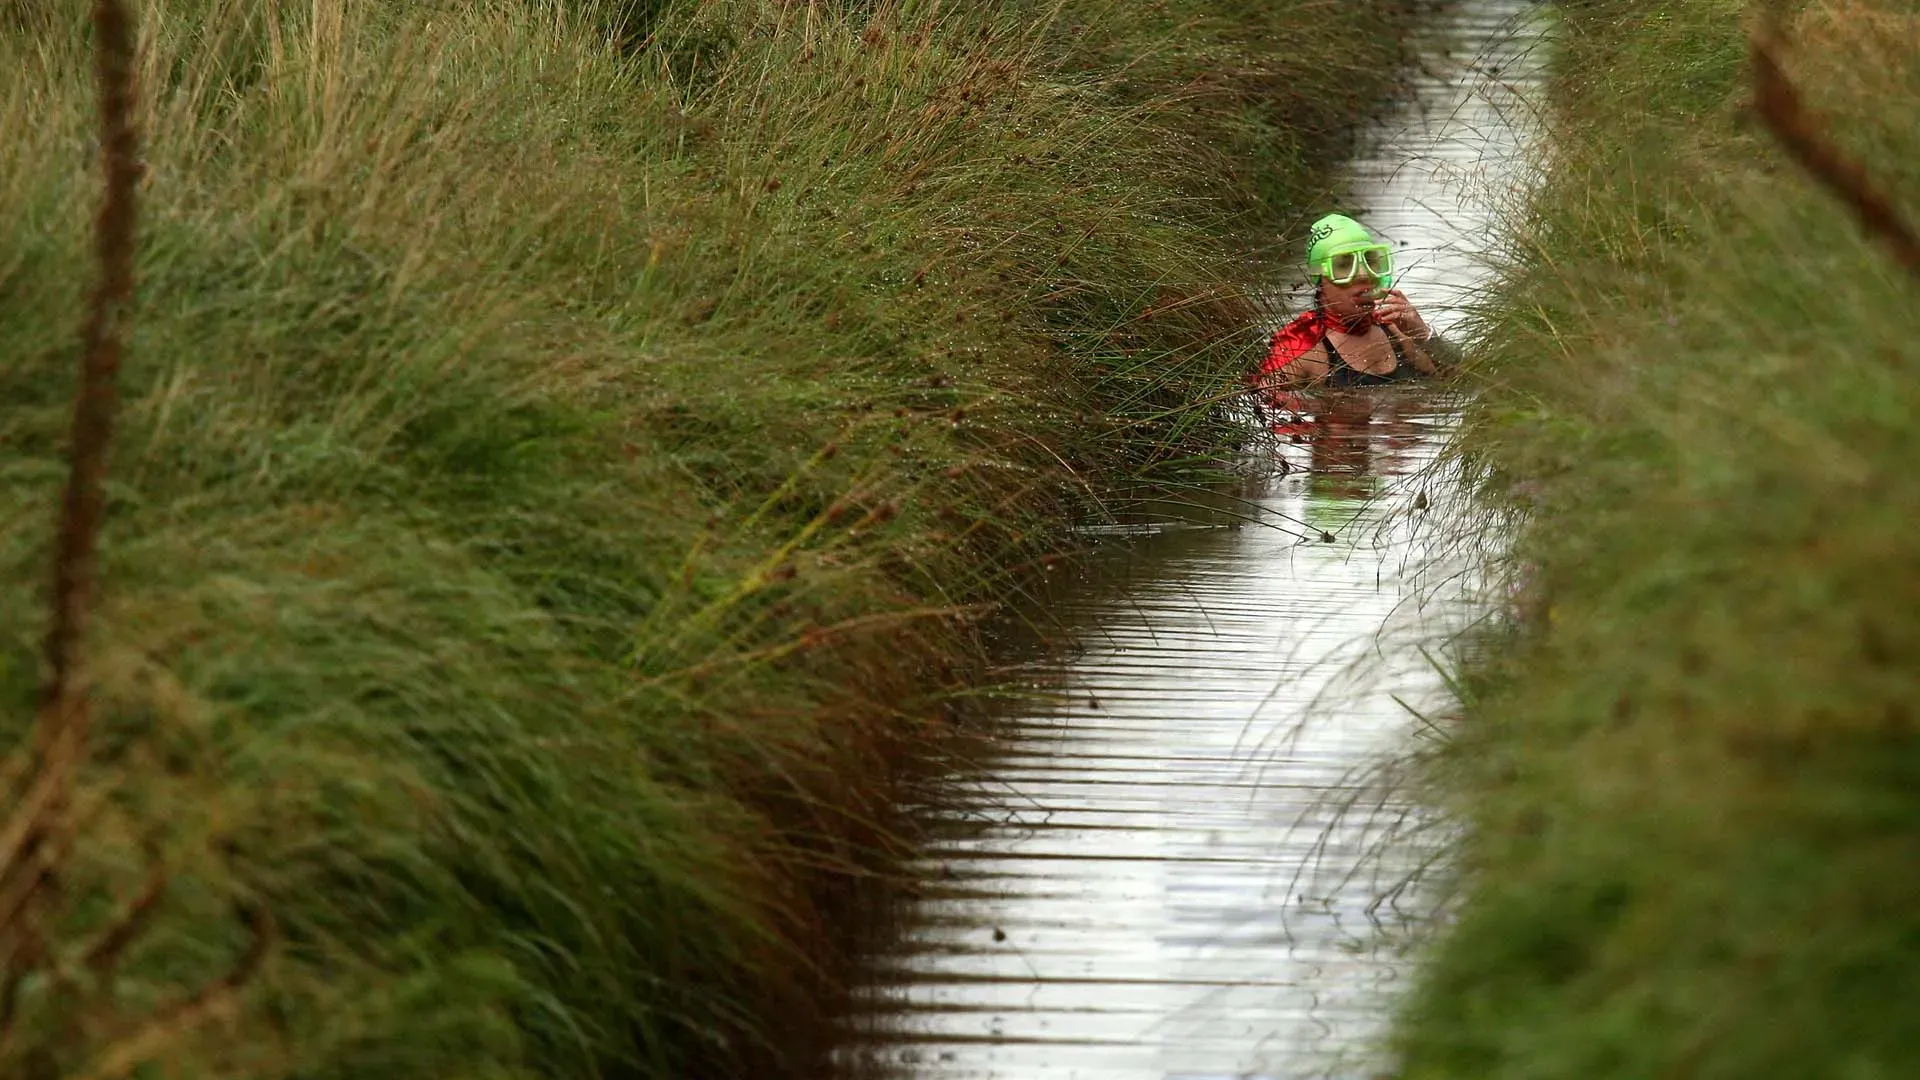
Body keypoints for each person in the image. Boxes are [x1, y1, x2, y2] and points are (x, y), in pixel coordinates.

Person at [1252, 214, 1452, 391]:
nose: (1364, 276)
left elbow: (1468, 382)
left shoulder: (1400, 333)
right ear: (1321, 280)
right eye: (1344, 266)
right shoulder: (1300, 348)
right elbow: (1265, 409)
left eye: (1371, 261)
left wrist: (1425, 335)